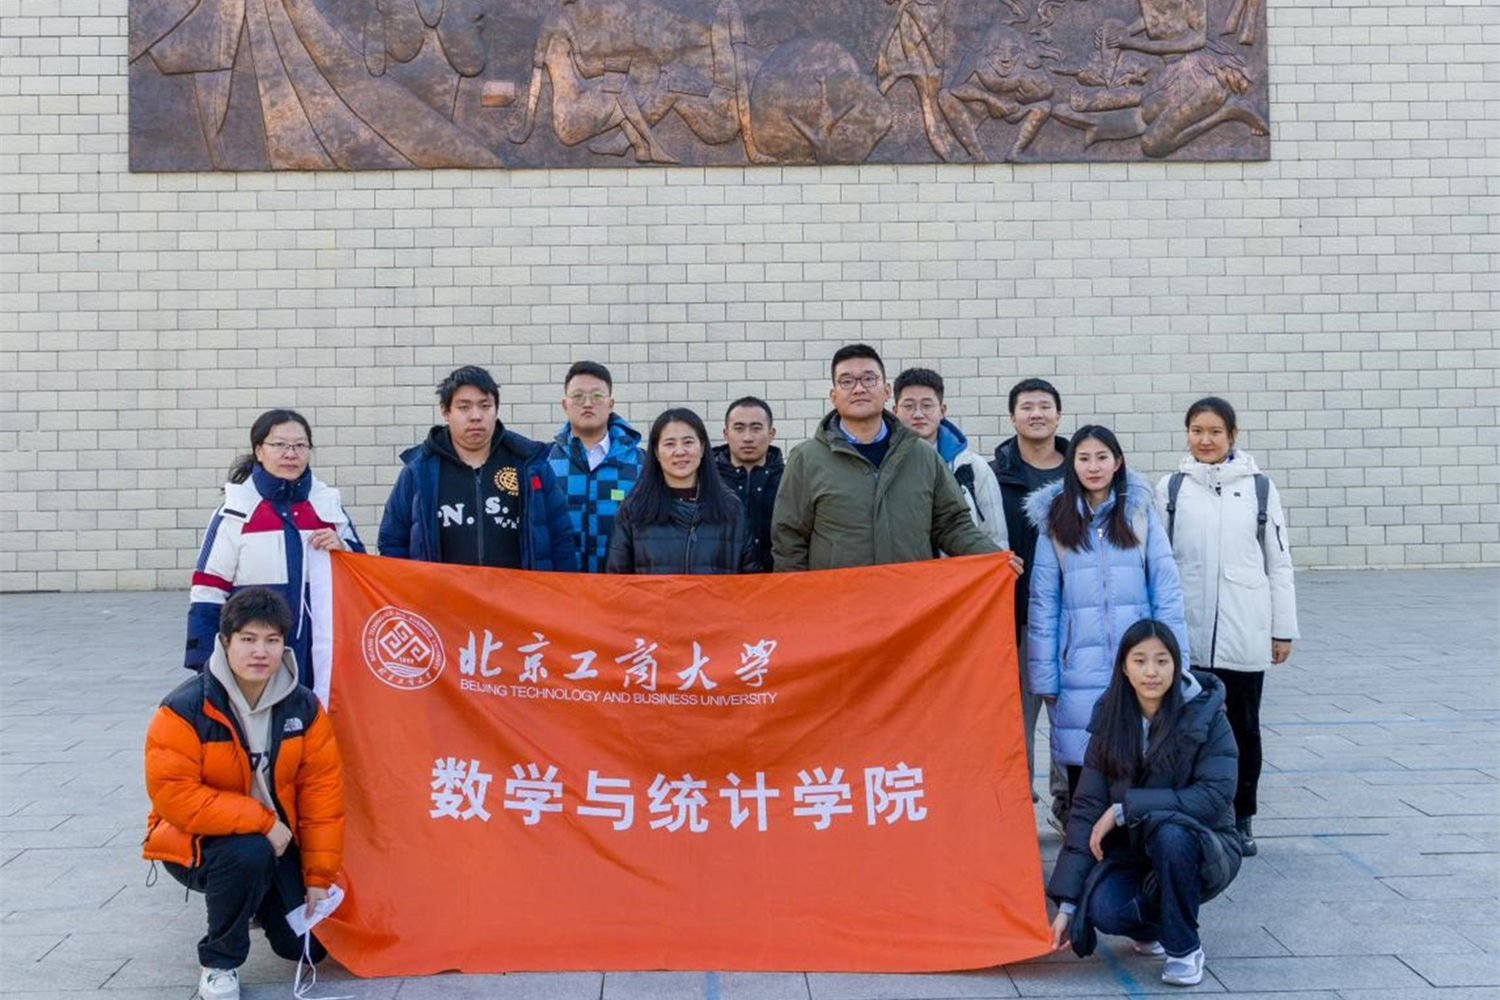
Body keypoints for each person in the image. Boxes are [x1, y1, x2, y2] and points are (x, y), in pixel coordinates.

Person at [145, 588, 344, 1000]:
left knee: (306, 948)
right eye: (248, 639)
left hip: (279, 843)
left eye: (272, 640)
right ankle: (219, 961)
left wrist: (318, 878)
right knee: (247, 853)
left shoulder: (303, 707)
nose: (260, 652)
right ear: (225, 641)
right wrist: (264, 822)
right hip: (200, 842)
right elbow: (175, 797)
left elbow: (321, 795)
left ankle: (255, 896)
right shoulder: (184, 708)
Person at [1046, 619, 1241, 988]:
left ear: (1176, 665)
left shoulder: (1206, 715)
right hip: (1136, 851)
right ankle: (1155, 925)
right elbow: (1086, 810)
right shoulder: (1110, 718)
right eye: (1140, 661)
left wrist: (1126, 808)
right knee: (1104, 909)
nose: (1151, 671)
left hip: (1204, 844)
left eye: (1162, 661)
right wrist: (1068, 904)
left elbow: (1213, 797)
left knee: (1171, 835)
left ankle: (1184, 949)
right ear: (1124, 667)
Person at [1157, 396, 1298, 857]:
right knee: (1184, 729)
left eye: (1215, 431)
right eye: (1197, 430)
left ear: (1232, 436)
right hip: (1187, 635)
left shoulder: (1259, 488)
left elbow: (1279, 562)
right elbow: (1157, 562)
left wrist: (1282, 630)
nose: (1206, 440)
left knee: (1242, 729)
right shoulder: (1171, 489)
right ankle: (1192, 813)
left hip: (1244, 632)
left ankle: (1241, 816)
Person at [1025, 424, 1189, 807]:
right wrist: (1045, 676)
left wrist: (1175, 663)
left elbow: (1166, 592)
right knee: (1082, 764)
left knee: (1137, 759)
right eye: (1084, 458)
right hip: (1077, 665)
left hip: (1138, 662)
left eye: (1102, 457)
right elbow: (1043, 603)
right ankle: (1082, 831)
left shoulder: (1140, 514)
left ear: (1118, 462)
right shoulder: (1055, 520)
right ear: (1072, 465)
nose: (1093, 467)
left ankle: (1130, 834)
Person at [771, 344, 999, 571]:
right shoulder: (807, 458)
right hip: (839, 593)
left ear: (887, 390)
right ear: (833, 395)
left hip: (911, 591)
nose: (859, 388)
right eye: (847, 381)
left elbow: (952, 524)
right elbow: (789, 539)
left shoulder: (923, 456)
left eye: (869, 379)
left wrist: (996, 559)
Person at [186, 409, 364, 687]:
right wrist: (205, 663)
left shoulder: (327, 504)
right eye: (279, 445)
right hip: (258, 655)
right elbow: (208, 589)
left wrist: (344, 550)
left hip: (322, 653)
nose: (290, 454)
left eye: (300, 445)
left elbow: (363, 574)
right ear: (259, 451)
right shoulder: (236, 510)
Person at [379, 365, 577, 570]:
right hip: (440, 591)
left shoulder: (530, 465)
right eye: (464, 407)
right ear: (445, 411)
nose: (476, 416)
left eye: (485, 406)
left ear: (496, 410)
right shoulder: (419, 472)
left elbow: (560, 539)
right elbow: (393, 543)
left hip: (516, 591)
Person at [991, 378, 1069, 825]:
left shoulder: (1082, 469)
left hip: (1073, 618)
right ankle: (1019, 805)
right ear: (1012, 417)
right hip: (1014, 617)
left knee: (1072, 715)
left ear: (1058, 415)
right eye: (1026, 407)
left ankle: (1069, 800)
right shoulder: (991, 474)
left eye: (1044, 406)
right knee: (1015, 719)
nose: (1036, 413)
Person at [606, 408, 757, 574]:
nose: (680, 452)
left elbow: (749, 580)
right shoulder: (633, 509)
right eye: (670, 444)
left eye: (688, 442)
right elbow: (617, 578)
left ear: (702, 448)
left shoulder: (730, 508)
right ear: (656, 452)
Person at [893, 367, 1009, 549]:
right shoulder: (883, 465)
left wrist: (998, 563)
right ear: (895, 411)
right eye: (908, 406)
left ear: (942, 410)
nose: (918, 414)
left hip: (960, 566)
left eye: (927, 405)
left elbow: (995, 535)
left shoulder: (972, 466)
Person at [547, 361, 646, 573]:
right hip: (561, 585)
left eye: (597, 396)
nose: (587, 403)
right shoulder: (545, 463)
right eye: (578, 396)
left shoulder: (641, 464)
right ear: (564, 405)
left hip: (621, 585)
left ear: (611, 404)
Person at [714, 396, 784, 572]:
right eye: (739, 428)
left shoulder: (789, 479)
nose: (747, 438)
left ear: (771, 434)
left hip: (776, 580)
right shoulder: (707, 479)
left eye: (756, 428)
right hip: (719, 580)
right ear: (726, 434)